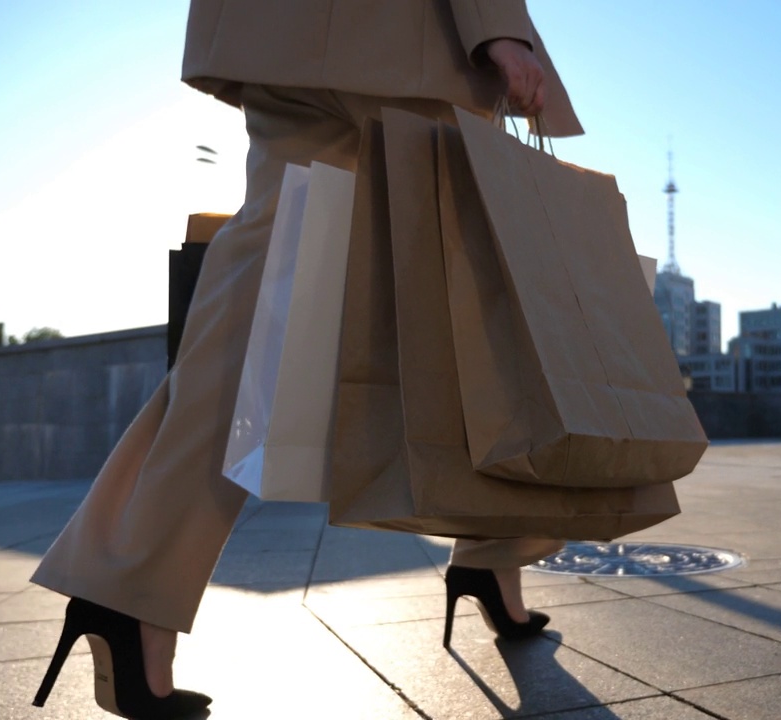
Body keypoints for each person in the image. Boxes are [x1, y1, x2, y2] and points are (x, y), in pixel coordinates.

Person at [29, 2, 583, 717]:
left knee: (254, 317)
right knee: (486, 298)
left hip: (278, 34)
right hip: (401, 36)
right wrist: (497, 27)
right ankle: (495, 551)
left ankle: (130, 589)